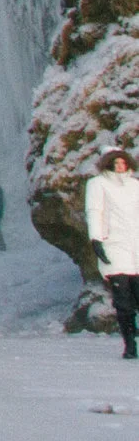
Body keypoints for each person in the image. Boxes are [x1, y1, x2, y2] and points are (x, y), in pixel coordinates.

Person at [88, 149, 139, 358]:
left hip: (136, 247)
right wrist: (96, 239)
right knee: (123, 300)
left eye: (123, 163)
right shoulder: (98, 184)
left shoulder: (135, 185)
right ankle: (129, 344)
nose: (120, 166)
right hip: (114, 247)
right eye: (116, 163)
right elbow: (94, 211)